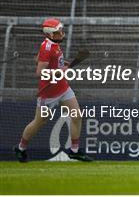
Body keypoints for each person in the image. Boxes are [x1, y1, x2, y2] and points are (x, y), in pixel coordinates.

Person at [13, 18, 92, 162]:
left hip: (62, 88)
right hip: (48, 93)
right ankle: (21, 148)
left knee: (77, 116)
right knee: (39, 122)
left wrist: (61, 64)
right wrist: (59, 71)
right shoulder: (47, 47)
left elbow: (39, 59)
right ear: (50, 34)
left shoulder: (54, 44)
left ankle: (74, 150)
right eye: (58, 32)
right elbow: (39, 72)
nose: (62, 33)